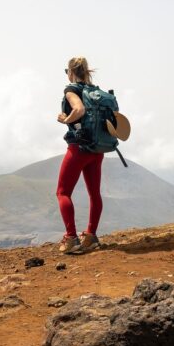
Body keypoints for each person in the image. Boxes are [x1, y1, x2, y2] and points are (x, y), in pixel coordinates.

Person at [56, 56, 104, 254]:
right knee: (94, 193)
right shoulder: (96, 92)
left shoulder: (72, 89)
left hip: (79, 149)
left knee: (63, 192)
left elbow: (79, 109)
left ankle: (71, 238)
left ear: (71, 72)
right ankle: (91, 236)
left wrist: (65, 119)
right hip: (97, 149)